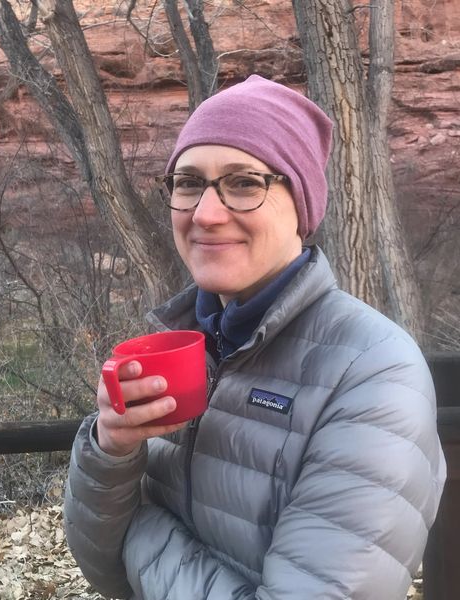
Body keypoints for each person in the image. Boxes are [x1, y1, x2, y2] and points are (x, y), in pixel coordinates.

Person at [63, 75, 446, 599]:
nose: (206, 213)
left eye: (245, 183)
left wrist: (141, 533)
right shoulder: (184, 344)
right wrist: (111, 449)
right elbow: (101, 572)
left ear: (303, 207)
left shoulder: (374, 373)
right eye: (188, 182)